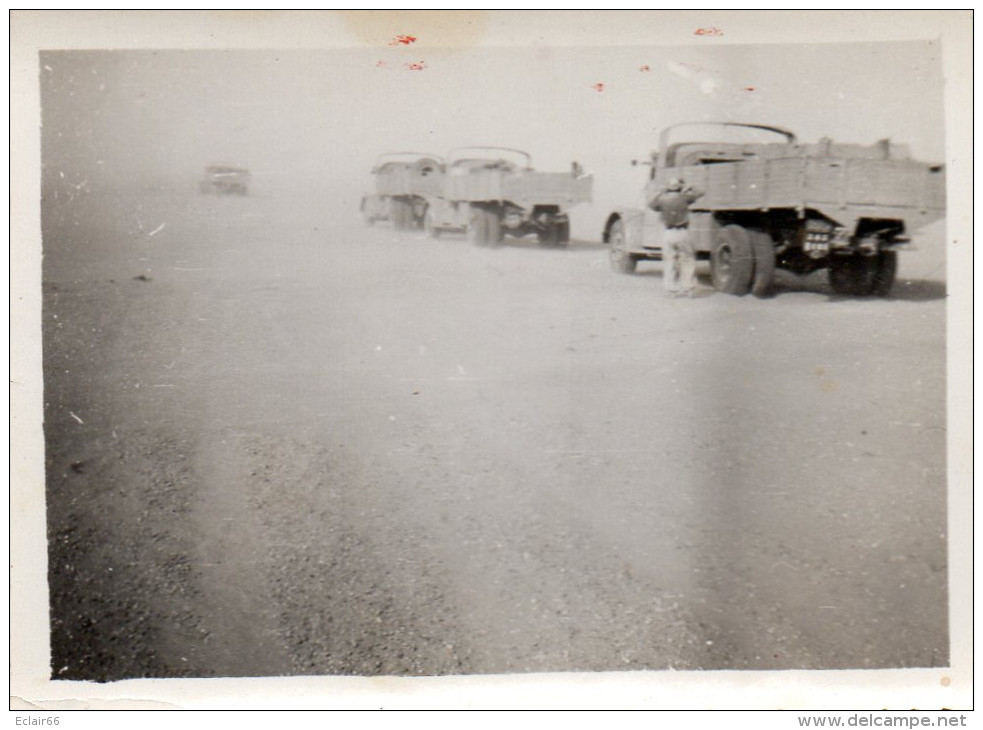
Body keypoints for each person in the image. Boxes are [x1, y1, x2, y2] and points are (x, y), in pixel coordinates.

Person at [650, 178, 705, 297]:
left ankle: (671, 290)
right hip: (682, 232)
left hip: (668, 233)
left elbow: (651, 204)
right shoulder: (684, 197)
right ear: (679, 187)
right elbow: (701, 192)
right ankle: (688, 288)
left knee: (669, 261)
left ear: (668, 187)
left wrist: (661, 191)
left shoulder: (662, 199)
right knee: (687, 259)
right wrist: (689, 186)